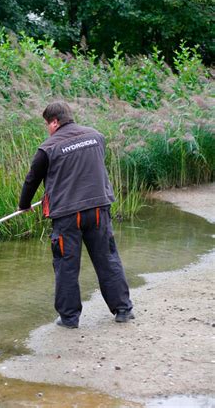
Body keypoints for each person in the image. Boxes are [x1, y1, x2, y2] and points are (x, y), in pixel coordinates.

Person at [19, 100, 134, 328]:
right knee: (107, 258)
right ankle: (123, 310)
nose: (47, 129)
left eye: (46, 124)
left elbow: (32, 179)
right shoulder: (96, 137)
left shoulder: (48, 148)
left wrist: (24, 204)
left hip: (68, 215)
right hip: (99, 210)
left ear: (54, 121)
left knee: (66, 265)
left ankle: (69, 319)